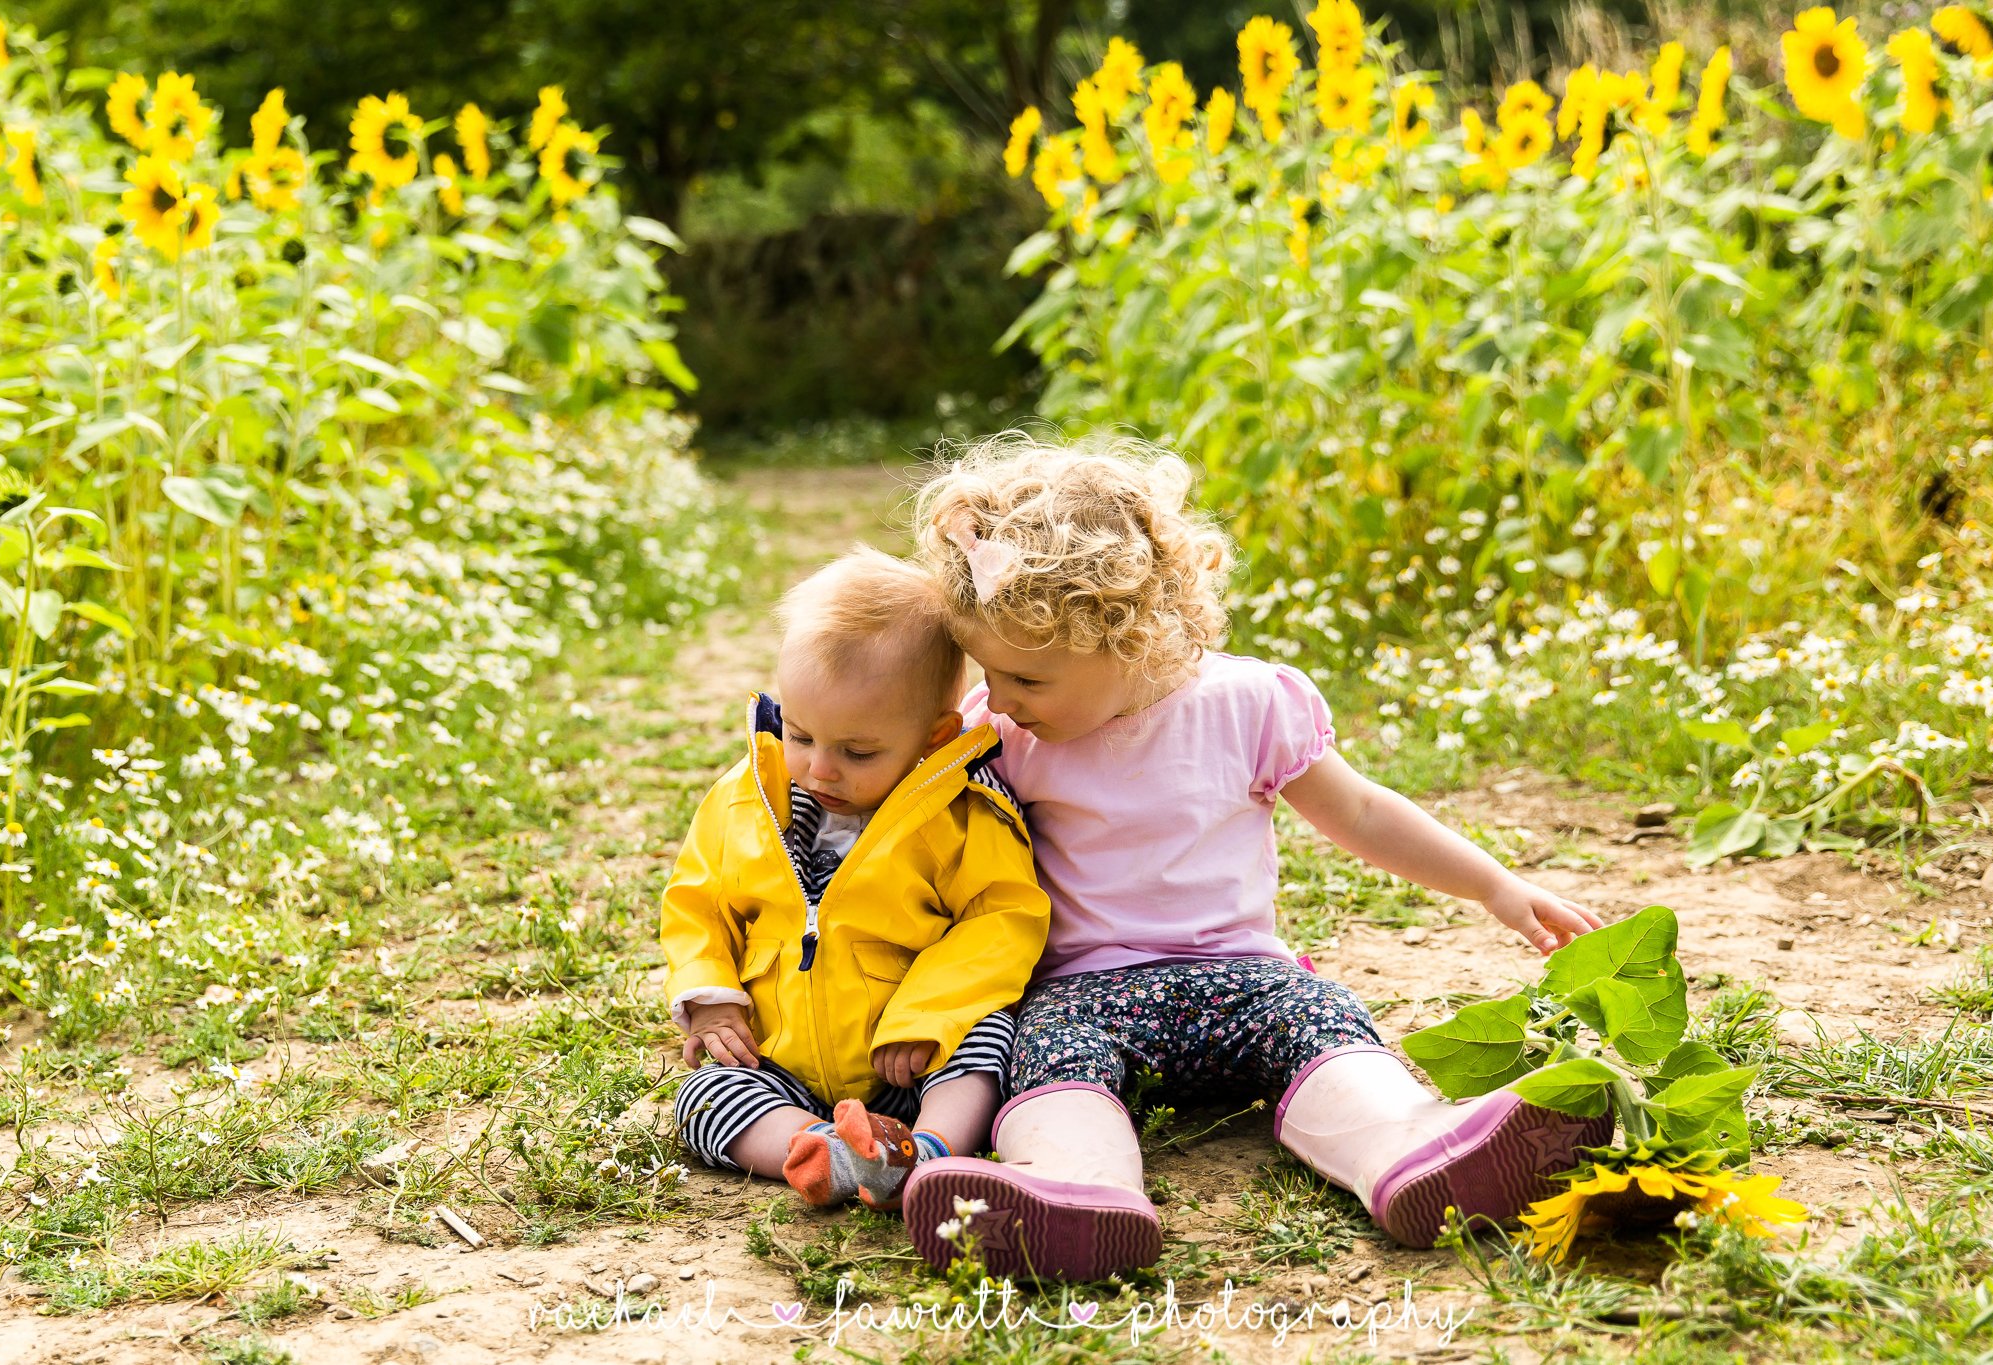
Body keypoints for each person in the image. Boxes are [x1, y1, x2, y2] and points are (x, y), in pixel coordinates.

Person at [898, 433, 1613, 1279]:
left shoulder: (1247, 704)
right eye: (991, 671)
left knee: (1323, 1026)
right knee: (1048, 1062)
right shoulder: (1004, 734)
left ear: (1127, 636)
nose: (1003, 698)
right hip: (1082, 992)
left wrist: (1493, 885)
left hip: (1247, 977)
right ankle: (1076, 1191)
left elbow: (1361, 812)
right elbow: (916, 848)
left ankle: (1408, 1150)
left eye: (1028, 679)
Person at [662, 548, 1050, 1211]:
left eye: (857, 751)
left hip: (911, 1056)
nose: (819, 768)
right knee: (701, 1096)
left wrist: (930, 1014)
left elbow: (1000, 917)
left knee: (988, 1038)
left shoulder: (959, 811)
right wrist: (712, 997)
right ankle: (826, 1148)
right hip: (779, 1059)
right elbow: (698, 902)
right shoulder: (747, 799)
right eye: (802, 733)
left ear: (932, 736)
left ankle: (925, 1152)